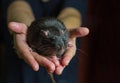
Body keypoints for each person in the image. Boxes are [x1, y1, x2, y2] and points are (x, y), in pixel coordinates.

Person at [3, 0, 89, 83]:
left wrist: (67, 32)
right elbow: (18, 7)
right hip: (19, 64)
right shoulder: (39, 36)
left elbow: (73, 11)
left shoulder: (62, 37)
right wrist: (24, 28)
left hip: (63, 65)